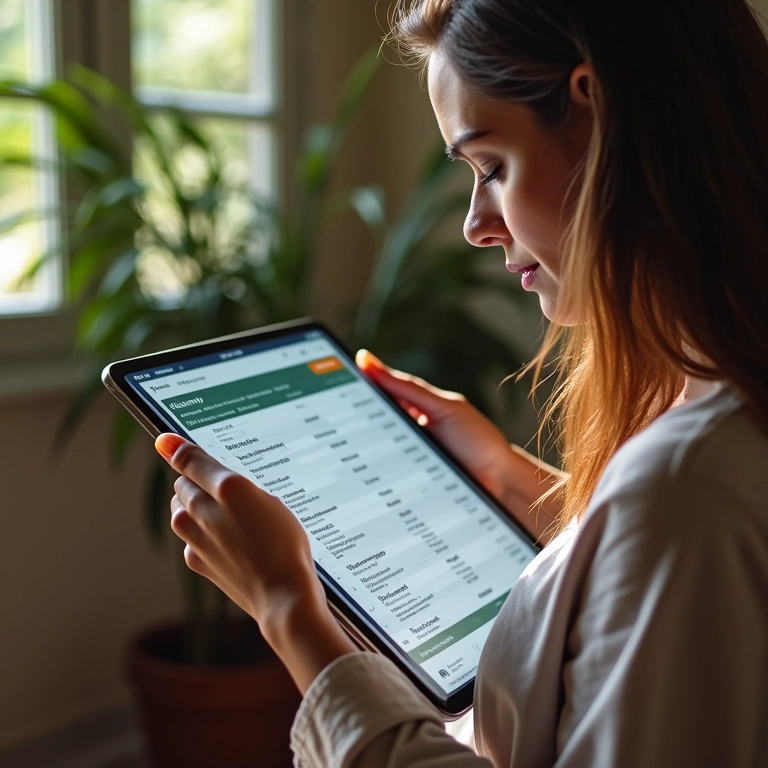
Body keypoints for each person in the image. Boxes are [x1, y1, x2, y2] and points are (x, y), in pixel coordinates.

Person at [153, 0, 768, 765]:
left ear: (597, 113)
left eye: (493, 166)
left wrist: (290, 613)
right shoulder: (719, 413)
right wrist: (511, 480)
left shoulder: (687, 486)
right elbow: (646, 593)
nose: (478, 223)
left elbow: (672, 530)